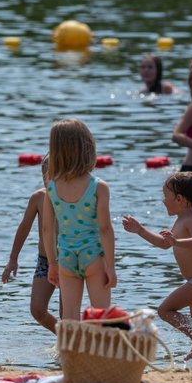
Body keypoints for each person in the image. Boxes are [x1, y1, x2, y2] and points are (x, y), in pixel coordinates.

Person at [122, 172, 192, 360]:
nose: (163, 201)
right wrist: (140, 230)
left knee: (165, 310)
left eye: (165, 196)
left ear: (179, 199)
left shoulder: (191, 219)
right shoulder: (181, 220)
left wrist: (177, 242)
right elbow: (163, 244)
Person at [40, 118, 116, 320]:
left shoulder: (51, 187)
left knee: (69, 318)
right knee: (101, 317)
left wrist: (53, 264)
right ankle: (101, 351)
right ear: (87, 148)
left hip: (66, 256)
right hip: (92, 255)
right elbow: (105, 229)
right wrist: (111, 265)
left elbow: (47, 229)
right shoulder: (98, 186)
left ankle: (69, 352)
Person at [2, 155, 58, 333]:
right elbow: (24, 227)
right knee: (37, 310)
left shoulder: (73, 199)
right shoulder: (38, 198)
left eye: (52, 174)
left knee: (68, 313)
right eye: (45, 173)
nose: (47, 178)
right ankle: (65, 337)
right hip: (45, 260)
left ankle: (72, 344)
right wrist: (13, 259)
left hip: (67, 260)